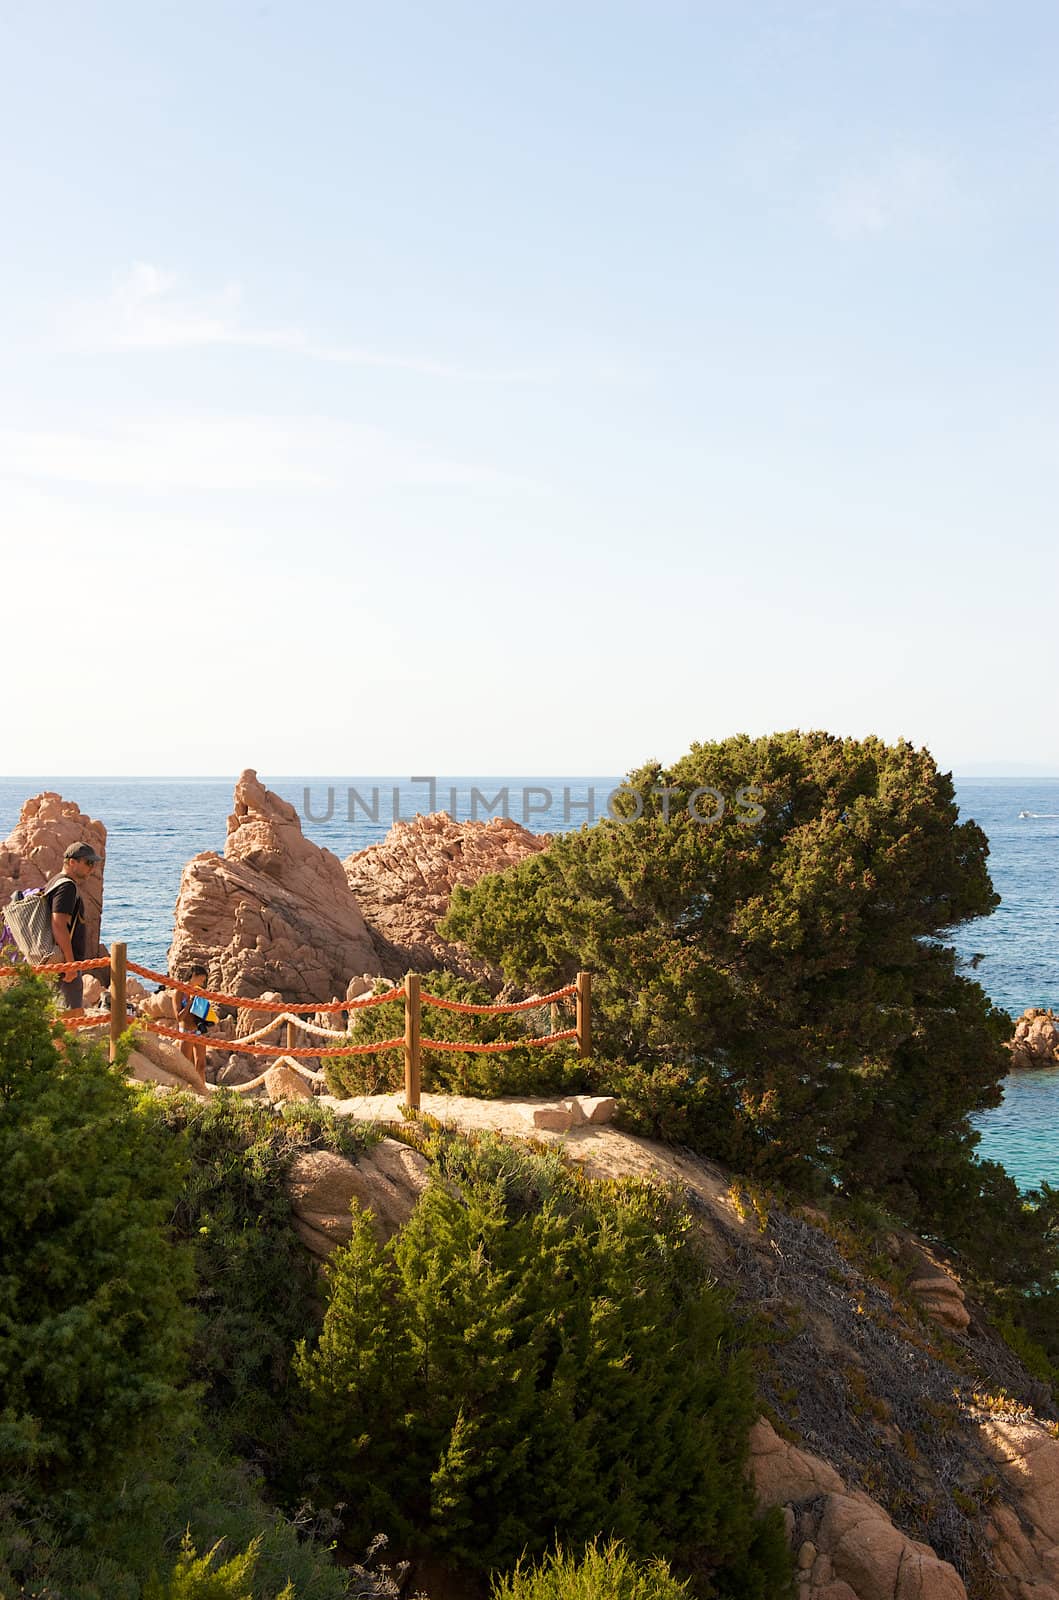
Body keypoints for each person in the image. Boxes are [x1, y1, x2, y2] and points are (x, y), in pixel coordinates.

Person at [46, 842, 102, 1011]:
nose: (91, 868)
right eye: (88, 863)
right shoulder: (67, 887)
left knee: (58, 1015)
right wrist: (70, 964)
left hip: (55, 960)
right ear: (72, 862)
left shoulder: (54, 882)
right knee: (71, 1017)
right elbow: (58, 923)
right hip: (65, 964)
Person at [175, 965, 212, 1086]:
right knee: (187, 1065)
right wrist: (189, 1004)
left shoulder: (198, 991)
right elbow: (178, 1017)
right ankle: (189, 1090)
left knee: (201, 1064)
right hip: (186, 1031)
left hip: (198, 1030)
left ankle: (202, 1088)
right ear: (194, 976)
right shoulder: (179, 991)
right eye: (201, 980)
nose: (202, 983)